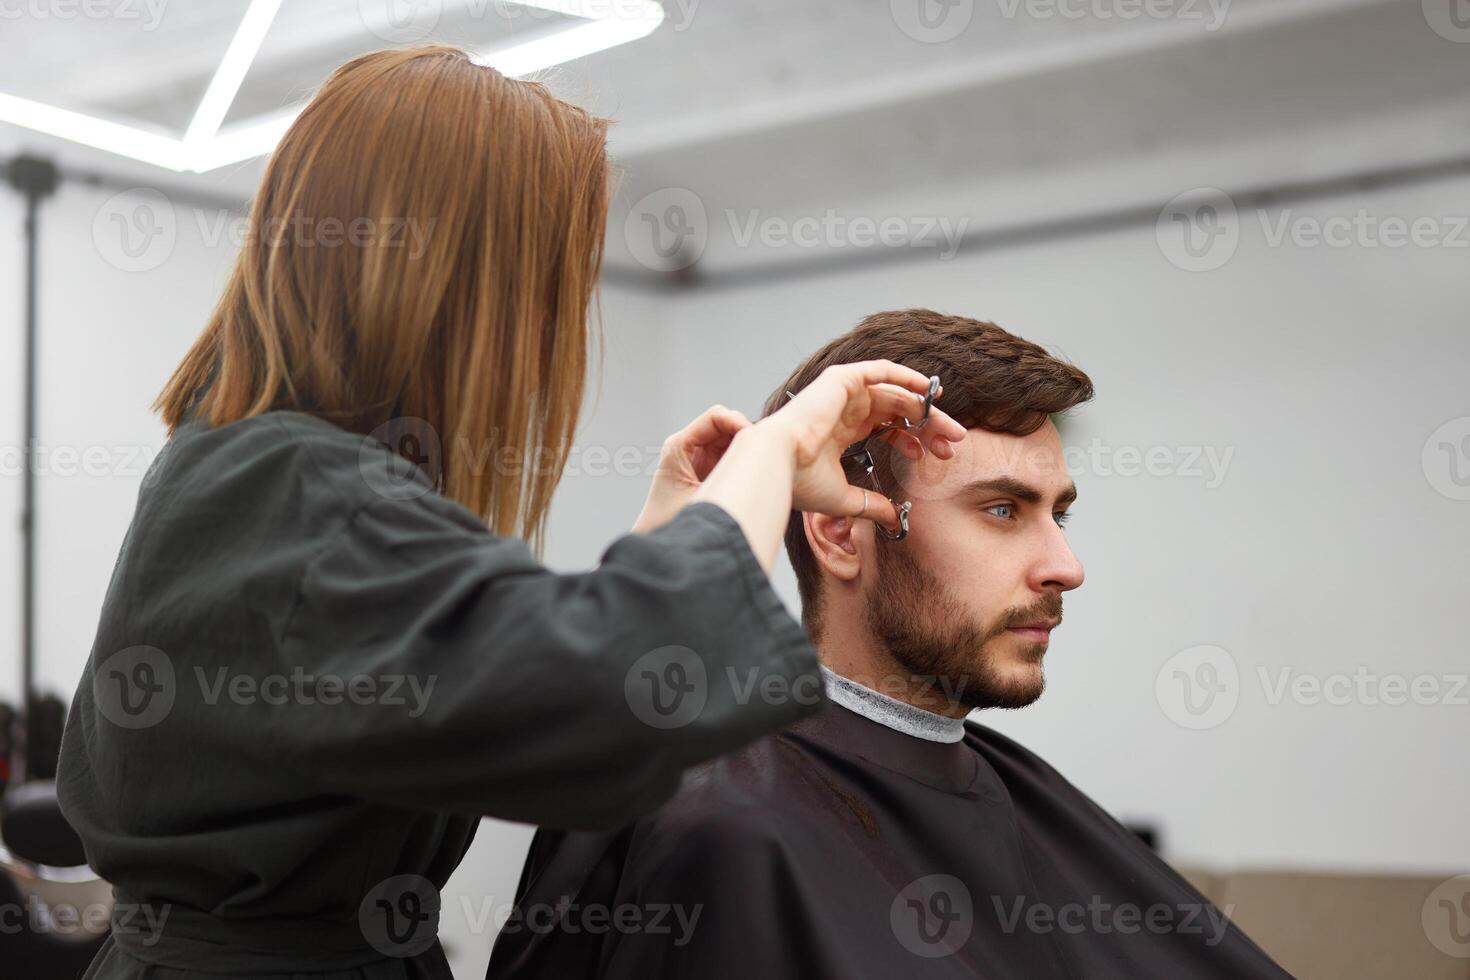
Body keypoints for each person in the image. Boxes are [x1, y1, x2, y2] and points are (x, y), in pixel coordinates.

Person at [53, 51, 967, 980]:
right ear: (461, 280)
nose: (560, 323)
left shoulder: (243, 465)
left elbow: (526, 690)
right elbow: (613, 700)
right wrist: (776, 452)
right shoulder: (289, 490)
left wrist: (673, 522)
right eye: (553, 282)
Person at [487, 309, 1292, 979]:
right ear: (840, 532)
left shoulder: (1019, 796)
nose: (1066, 567)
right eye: (1003, 510)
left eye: (1060, 514)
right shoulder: (721, 826)